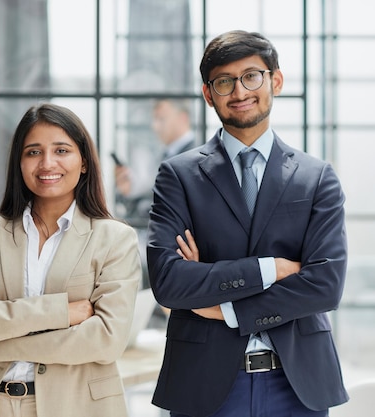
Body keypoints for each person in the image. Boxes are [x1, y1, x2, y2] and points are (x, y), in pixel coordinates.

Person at [147, 30, 348, 417]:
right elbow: (170, 282)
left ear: (275, 80)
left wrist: (226, 307)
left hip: (298, 387)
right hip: (205, 385)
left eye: (251, 76)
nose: (239, 91)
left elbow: (325, 286)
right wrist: (272, 268)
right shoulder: (178, 176)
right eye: (224, 81)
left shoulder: (316, 176)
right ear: (208, 94)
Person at [0, 103, 141, 417]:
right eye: (33, 152)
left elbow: (106, 339)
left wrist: (2, 334)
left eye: (61, 150)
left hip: (78, 407)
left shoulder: (114, 239)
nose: (47, 163)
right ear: (19, 162)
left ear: (84, 162)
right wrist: (63, 312)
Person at [114, 99, 195, 221]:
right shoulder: (163, 155)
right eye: (154, 120)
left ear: (182, 118)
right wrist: (128, 192)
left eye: (161, 119)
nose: (155, 126)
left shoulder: (196, 156)